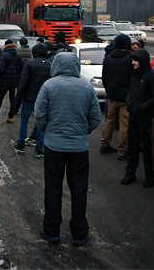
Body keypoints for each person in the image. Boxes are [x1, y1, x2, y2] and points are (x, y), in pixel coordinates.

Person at [34, 52, 102, 246]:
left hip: (54, 147)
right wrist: (81, 132)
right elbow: (96, 118)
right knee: (79, 189)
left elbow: (39, 115)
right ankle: (79, 232)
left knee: (53, 187)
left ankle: (51, 230)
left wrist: (48, 131)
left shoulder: (49, 86)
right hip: (79, 148)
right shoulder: (87, 87)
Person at [121, 48, 154, 188]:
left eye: (135, 60)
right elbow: (130, 91)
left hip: (147, 118)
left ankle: (150, 176)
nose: (133, 63)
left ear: (142, 61)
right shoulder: (134, 75)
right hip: (133, 116)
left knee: (147, 148)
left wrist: (142, 107)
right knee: (132, 145)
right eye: (132, 60)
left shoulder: (153, 76)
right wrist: (129, 102)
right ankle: (130, 172)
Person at [14, 43, 51, 158]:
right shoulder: (50, 65)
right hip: (43, 99)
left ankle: (21, 145)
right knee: (40, 123)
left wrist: (18, 97)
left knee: (24, 121)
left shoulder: (29, 63)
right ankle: (39, 149)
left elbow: (23, 82)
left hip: (28, 97)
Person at [100, 34, 132, 160]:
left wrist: (109, 91)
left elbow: (104, 77)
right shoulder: (130, 59)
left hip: (112, 96)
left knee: (110, 121)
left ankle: (104, 144)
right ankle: (122, 151)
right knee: (124, 125)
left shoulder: (108, 58)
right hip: (125, 98)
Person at [0, 39, 23, 124]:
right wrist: (16, 74)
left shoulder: (4, 55)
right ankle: (10, 117)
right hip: (13, 80)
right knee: (12, 99)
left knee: (0, 99)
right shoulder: (18, 55)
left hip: (4, 80)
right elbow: (21, 67)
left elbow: (1, 69)